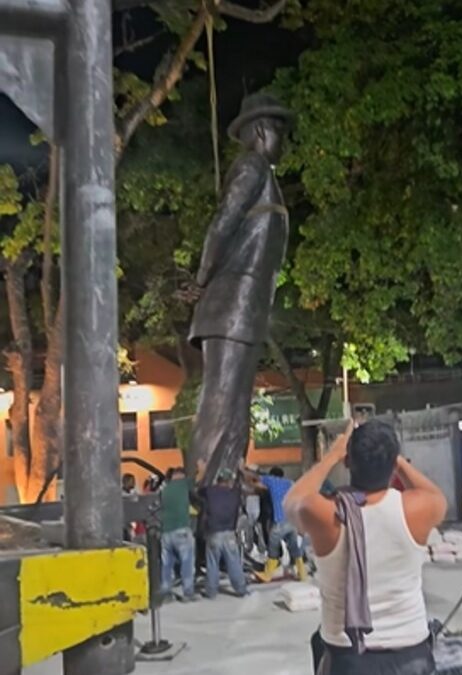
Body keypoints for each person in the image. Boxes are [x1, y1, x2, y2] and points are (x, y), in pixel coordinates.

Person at [187, 92, 293, 485]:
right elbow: (223, 222)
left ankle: (226, 485)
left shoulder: (266, 177)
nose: (284, 141)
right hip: (231, 303)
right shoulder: (251, 166)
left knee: (236, 405)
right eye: (280, 131)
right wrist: (202, 278)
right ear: (262, 130)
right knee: (221, 401)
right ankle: (202, 489)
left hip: (248, 307)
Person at [284, 419, 446, 675]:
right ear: (394, 463)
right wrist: (395, 461)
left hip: (347, 656)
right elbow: (437, 496)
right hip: (410, 652)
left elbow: (291, 501)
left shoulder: (325, 513)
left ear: (348, 461)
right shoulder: (417, 509)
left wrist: (332, 455)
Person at [248, 466, 306, 582]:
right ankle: (302, 574)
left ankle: (267, 575)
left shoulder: (272, 481)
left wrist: (245, 472)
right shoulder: (290, 483)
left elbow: (256, 479)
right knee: (294, 548)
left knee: (273, 546)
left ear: (272, 476)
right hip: (292, 521)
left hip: (280, 521)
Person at [198, 467, 248, 598]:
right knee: (234, 562)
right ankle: (241, 589)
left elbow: (199, 490)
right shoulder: (235, 493)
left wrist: (202, 470)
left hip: (213, 532)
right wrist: (241, 470)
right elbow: (242, 485)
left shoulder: (209, 491)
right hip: (230, 532)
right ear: (229, 481)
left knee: (212, 563)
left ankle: (211, 591)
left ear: (218, 480)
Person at [160, 467, 197, 601]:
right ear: (181, 475)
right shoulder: (183, 484)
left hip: (165, 532)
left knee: (166, 565)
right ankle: (188, 592)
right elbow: (199, 478)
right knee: (187, 562)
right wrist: (201, 467)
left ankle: (166, 593)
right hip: (181, 531)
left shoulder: (165, 490)